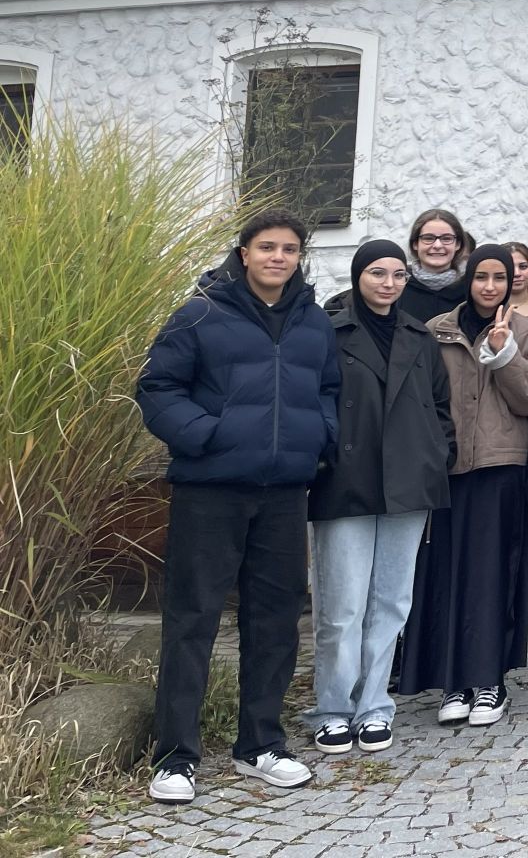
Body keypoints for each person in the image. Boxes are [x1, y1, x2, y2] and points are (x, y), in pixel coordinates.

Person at [138, 210, 340, 804]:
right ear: (244, 253)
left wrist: (319, 438)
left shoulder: (313, 323)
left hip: (285, 493)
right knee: (192, 621)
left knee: (275, 621)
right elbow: (157, 387)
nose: (278, 257)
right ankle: (175, 757)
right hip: (210, 491)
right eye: (267, 247)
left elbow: (329, 390)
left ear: (299, 257)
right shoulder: (200, 313)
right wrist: (207, 435)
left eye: (289, 249)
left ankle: (261, 745)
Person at [307, 240, 456, 757]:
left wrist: (436, 454)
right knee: (341, 605)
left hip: (408, 481)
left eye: (397, 275)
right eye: (377, 273)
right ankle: (332, 708)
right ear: (358, 276)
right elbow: (314, 399)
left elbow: (440, 406)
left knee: (391, 602)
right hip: (345, 477)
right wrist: (323, 456)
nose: (388, 283)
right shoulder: (329, 330)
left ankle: (374, 706)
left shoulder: (420, 336)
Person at [399, 245, 528, 728]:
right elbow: (421, 398)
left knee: (491, 577)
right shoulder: (437, 329)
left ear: (511, 283)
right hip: (447, 470)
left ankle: (490, 681)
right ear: (468, 279)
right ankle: (454, 682)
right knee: (445, 577)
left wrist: (504, 353)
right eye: (482, 276)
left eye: (499, 278)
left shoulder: (527, 331)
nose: (490, 286)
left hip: (499, 467)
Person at [403, 209, 472, 322]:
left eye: (446, 238)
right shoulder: (398, 286)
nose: (437, 245)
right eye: (428, 238)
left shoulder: (470, 291)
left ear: (458, 244)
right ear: (415, 244)